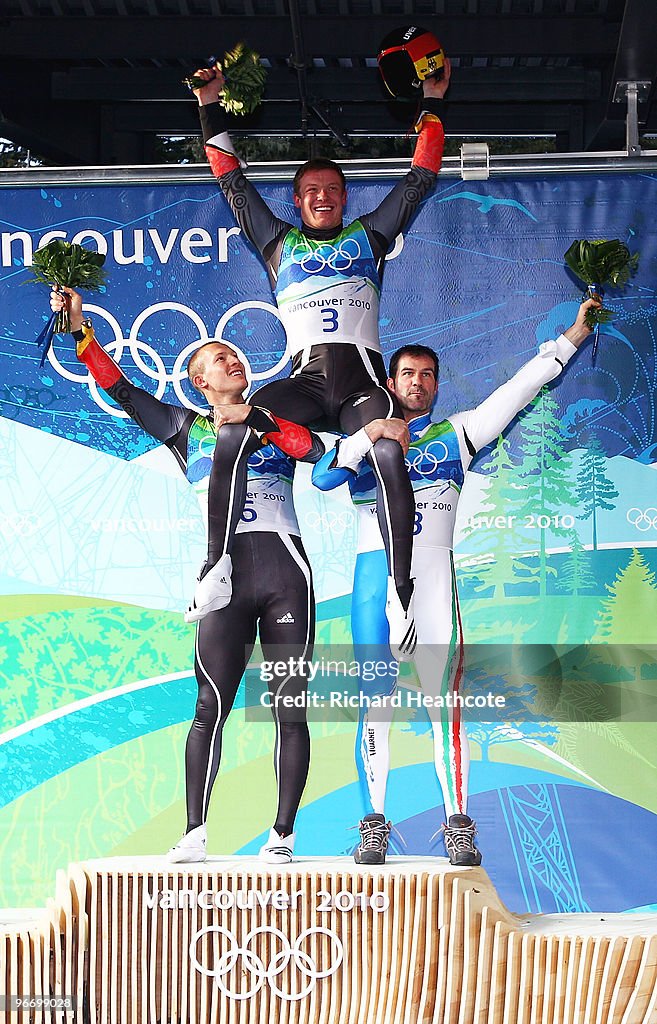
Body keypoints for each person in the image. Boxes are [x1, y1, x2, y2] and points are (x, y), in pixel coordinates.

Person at [312, 297, 600, 866]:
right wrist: (367, 435)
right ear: (389, 382)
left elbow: (519, 390)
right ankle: (374, 823)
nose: (418, 383)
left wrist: (569, 340)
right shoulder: (365, 436)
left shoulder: (459, 434)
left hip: (434, 583)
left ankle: (456, 825)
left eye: (428, 376)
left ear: (437, 386)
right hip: (374, 584)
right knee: (377, 706)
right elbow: (323, 477)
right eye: (408, 374)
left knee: (444, 706)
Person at [50, 286, 325, 864]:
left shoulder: (273, 418)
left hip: (284, 573)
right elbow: (121, 389)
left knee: (289, 706)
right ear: (200, 382)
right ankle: (195, 832)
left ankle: (282, 836)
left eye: (235, 356)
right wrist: (81, 331)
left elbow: (309, 450)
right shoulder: (184, 430)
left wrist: (261, 418)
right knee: (209, 707)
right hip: (224, 581)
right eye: (218, 360)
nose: (233, 362)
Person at [189, 58, 451, 659]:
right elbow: (233, 185)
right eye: (312, 192)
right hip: (305, 386)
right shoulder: (278, 243)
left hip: (361, 386)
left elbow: (418, 180)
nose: (323, 198)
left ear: (344, 197)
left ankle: (400, 590)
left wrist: (432, 103)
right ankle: (217, 565)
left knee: (387, 450)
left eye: (332, 191)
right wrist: (208, 104)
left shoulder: (370, 236)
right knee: (242, 419)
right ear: (299, 201)